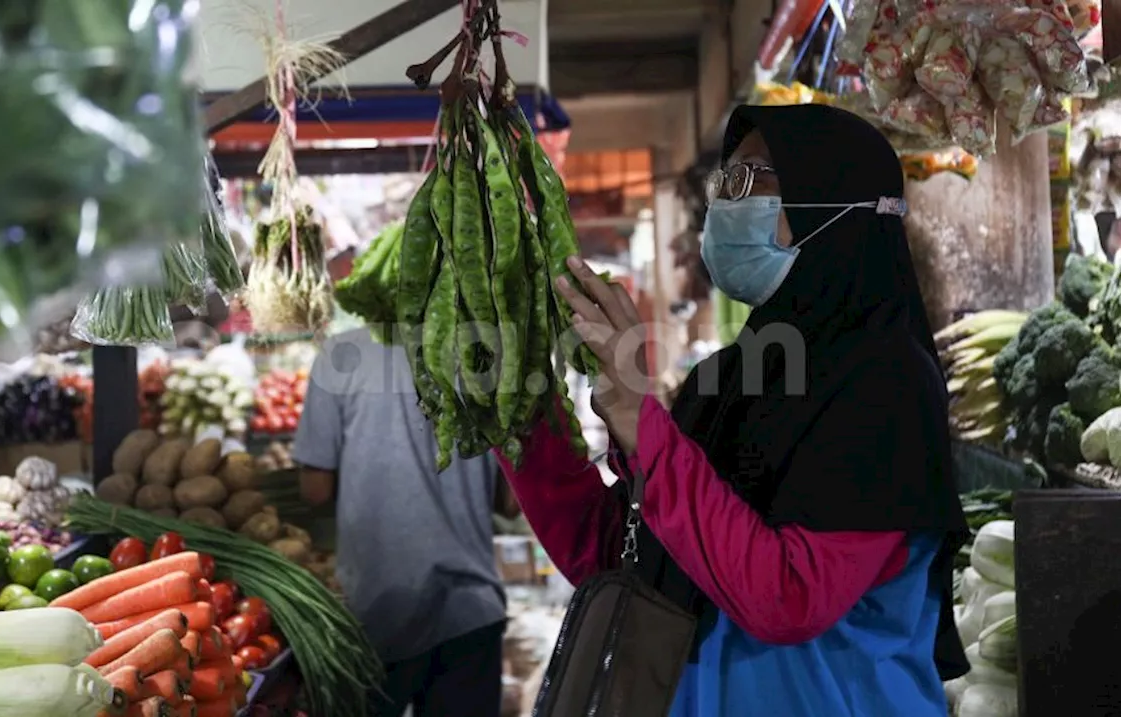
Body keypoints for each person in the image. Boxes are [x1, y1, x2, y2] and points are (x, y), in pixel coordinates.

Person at [501, 103, 970, 716]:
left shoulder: (887, 387)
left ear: (833, 204)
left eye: (755, 180)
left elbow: (789, 595)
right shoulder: (725, 380)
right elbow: (620, 555)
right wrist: (521, 418)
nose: (727, 203)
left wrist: (645, 428)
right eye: (727, 182)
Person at [292, 326, 517, 717]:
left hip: (375, 610)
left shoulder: (342, 354)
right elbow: (512, 502)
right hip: (469, 611)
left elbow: (315, 489)